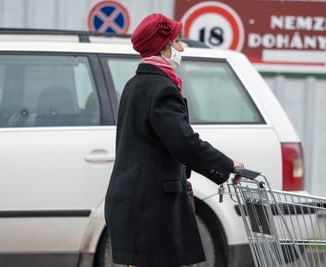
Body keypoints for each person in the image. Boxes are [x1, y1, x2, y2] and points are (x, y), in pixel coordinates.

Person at [104, 13, 244, 267]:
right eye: (178, 42)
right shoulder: (162, 89)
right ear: (163, 48)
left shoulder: (134, 85)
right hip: (152, 207)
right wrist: (226, 166)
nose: (182, 48)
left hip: (133, 200)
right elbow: (183, 142)